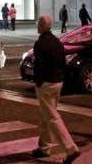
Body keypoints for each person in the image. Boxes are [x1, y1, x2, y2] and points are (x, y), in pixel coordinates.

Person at [30, 15, 80, 163]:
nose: (37, 26)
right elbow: (63, 64)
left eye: (39, 23)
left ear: (42, 26)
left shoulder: (40, 43)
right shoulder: (57, 42)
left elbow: (39, 66)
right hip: (58, 82)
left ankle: (71, 149)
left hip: (46, 84)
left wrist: (38, 81)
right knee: (46, 115)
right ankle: (44, 147)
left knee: (51, 117)